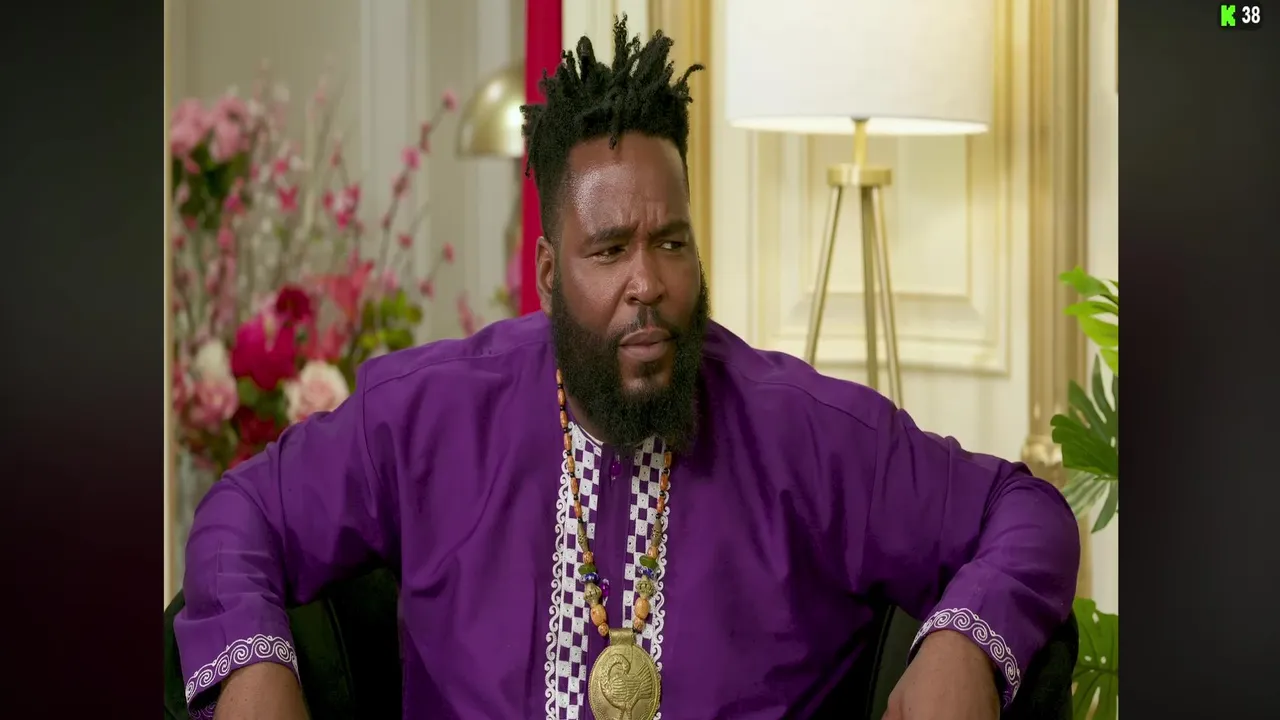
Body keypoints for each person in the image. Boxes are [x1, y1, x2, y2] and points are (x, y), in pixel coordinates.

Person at [173, 17, 1080, 720]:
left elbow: (1025, 514)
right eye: (609, 250)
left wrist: (965, 642)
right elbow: (242, 515)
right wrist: (255, 667)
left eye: (671, 242)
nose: (648, 283)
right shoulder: (428, 417)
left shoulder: (803, 433)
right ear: (547, 272)